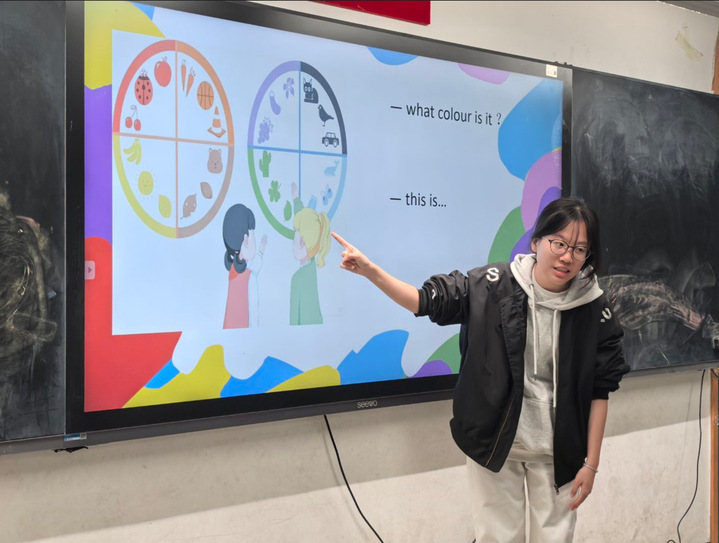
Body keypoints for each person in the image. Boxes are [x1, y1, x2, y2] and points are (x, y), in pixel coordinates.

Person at [331, 197, 629, 542]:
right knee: (497, 537)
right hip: (495, 444)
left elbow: (600, 389)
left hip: (560, 452)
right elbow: (424, 301)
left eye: (579, 249)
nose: (567, 257)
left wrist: (591, 463)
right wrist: (371, 271)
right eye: (559, 243)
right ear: (537, 242)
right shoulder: (492, 285)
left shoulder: (594, 308)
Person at [222, 203, 267, 329]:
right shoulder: (250, 279)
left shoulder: (232, 271)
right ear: (246, 240)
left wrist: (261, 252)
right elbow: (254, 319)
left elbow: (248, 271)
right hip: (245, 333)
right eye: (253, 234)